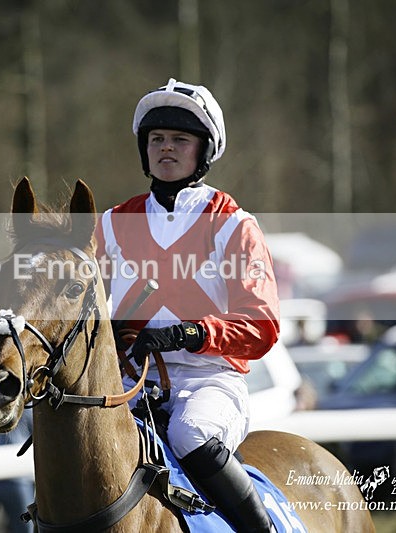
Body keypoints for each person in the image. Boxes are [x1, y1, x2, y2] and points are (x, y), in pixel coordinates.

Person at [95, 78, 280, 532]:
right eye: (156, 139)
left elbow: (262, 324)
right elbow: (89, 312)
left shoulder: (233, 224)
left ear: (204, 151)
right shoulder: (112, 224)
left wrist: (191, 333)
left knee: (188, 432)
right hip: (131, 380)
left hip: (209, 380)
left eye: (180, 139)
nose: (166, 148)